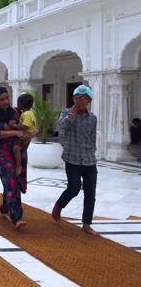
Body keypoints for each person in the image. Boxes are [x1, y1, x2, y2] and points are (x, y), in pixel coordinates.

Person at [51, 85, 100, 236]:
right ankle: (59, 205)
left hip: (89, 159)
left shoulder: (92, 118)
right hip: (72, 157)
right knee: (74, 188)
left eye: (84, 99)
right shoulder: (67, 113)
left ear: (89, 100)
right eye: (78, 98)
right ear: (73, 99)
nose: (81, 101)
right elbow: (62, 126)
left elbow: (92, 137)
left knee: (90, 192)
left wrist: (92, 150)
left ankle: (86, 223)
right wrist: (73, 110)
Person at [0, 86, 29, 229]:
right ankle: (17, 217)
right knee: (11, 183)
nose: (5, 101)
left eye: (7, 98)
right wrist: (14, 132)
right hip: (2, 152)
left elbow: (19, 127)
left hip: (16, 151)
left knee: (13, 181)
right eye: (1, 99)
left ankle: (5, 208)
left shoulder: (13, 112)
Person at [9, 93, 35, 177]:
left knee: (16, 149)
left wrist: (15, 126)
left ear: (20, 104)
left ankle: (18, 165)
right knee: (21, 149)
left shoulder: (26, 114)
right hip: (28, 135)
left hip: (24, 134)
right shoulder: (30, 113)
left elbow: (25, 126)